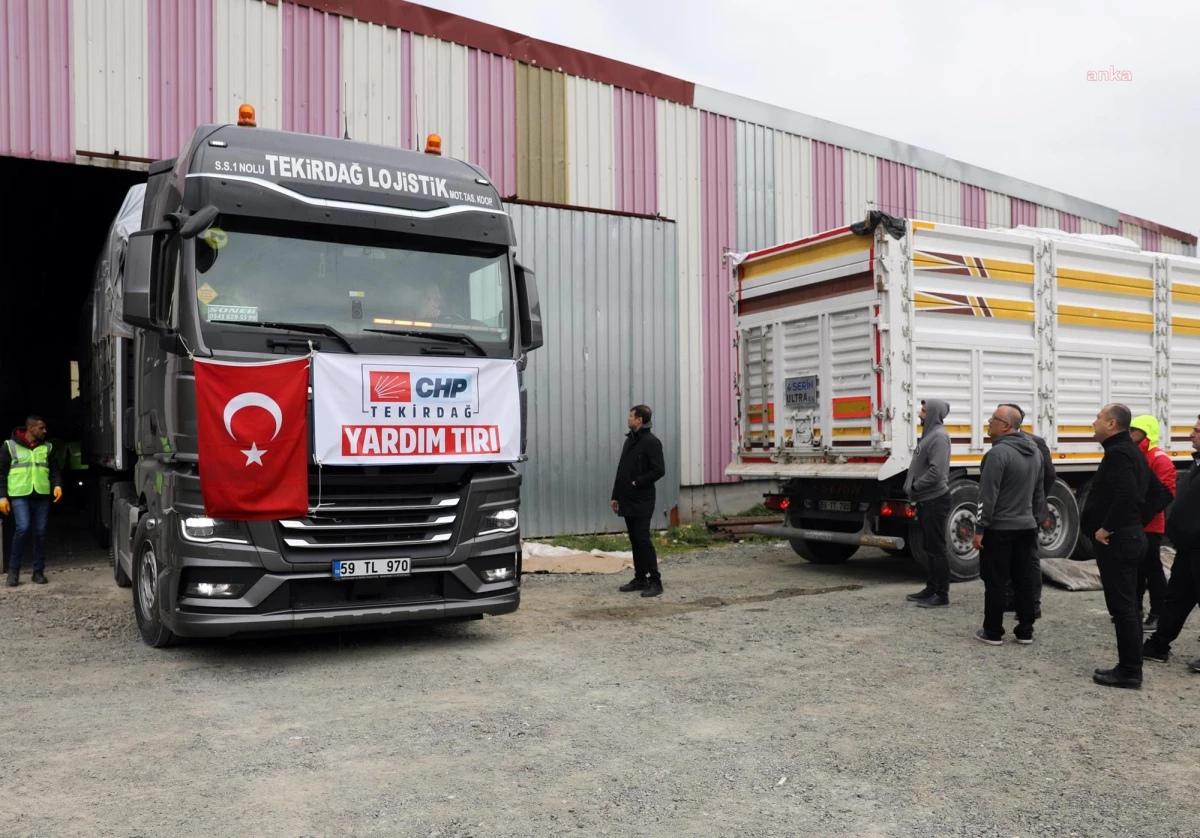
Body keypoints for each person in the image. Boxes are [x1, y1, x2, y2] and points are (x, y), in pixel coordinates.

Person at [1081, 403, 1150, 689]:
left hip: (1119, 541)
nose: (1094, 422)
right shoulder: (1130, 451)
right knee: (1130, 606)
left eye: (1098, 418)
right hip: (1130, 536)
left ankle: (1129, 671)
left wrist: (1108, 527)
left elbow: (1127, 494)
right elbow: (1156, 492)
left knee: (1122, 608)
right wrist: (1136, 523)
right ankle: (1130, 666)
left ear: (1111, 424)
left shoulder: (1120, 453)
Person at [971, 405, 1045, 646]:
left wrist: (980, 527)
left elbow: (986, 495)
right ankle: (1025, 631)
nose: (989, 421)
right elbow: (1038, 491)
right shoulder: (1034, 451)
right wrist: (1035, 520)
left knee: (995, 580)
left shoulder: (997, 454)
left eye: (994, 418)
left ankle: (992, 631)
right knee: (1023, 579)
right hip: (1026, 527)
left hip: (1000, 528)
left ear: (1006, 425)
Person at [1143, 415, 1200, 673]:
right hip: (1187, 549)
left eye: (1197, 431)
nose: (1191, 434)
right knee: (1176, 597)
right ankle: (1158, 646)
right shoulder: (1196, 465)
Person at [1000, 404, 1055, 619]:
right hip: (1011, 512)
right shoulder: (1000, 443)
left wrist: (1035, 501)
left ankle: (1033, 603)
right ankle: (1012, 598)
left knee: (1029, 558)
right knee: (1010, 557)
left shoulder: (1035, 443)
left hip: (1030, 512)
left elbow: (1049, 476)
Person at [0, 415, 64, 586]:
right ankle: (14, 571)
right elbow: (1, 474)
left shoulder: (48, 448)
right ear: (30, 428)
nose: (45, 431)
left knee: (41, 533)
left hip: (42, 496)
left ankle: (38, 571)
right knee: (23, 527)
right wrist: (2, 496)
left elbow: (55, 470)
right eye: (41, 428)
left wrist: (57, 486)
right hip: (20, 495)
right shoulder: (9, 446)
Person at [612, 405, 666, 598]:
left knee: (643, 539)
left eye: (631, 416)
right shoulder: (630, 441)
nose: (628, 418)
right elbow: (622, 469)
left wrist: (638, 481)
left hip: (642, 499)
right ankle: (640, 578)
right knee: (634, 539)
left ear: (639, 420)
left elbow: (659, 470)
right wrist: (615, 495)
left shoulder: (651, 442)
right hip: (627, 498)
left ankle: (656, 581)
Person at [1129, 414, 1176, 634]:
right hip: (1137, 524)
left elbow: (1165, 494)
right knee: (1136, 569)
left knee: (1152, 569)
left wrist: (1140, 518)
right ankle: (1135, 609)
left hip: (1150, 526)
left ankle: (1157, 613)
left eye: (1133, 430)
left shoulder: (1159, 458)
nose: (1129, 434)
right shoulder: (1137, 455)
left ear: (1145, 434)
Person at [903, 398, 952, 608]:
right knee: (929, 546)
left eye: (923, 411)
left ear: (933, 413)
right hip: (925, 499)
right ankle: (931, 588)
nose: (920, 413)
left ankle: (942, 594)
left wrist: (915, 487)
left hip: (934, 499)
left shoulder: (939, 437)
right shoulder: (929, 435)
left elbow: (936, 472)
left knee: (937, 547)